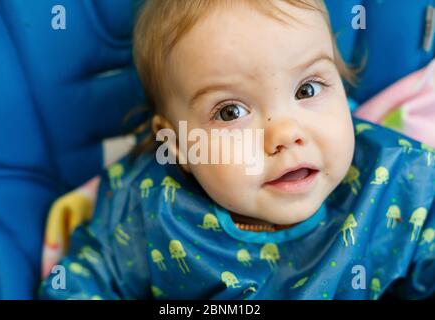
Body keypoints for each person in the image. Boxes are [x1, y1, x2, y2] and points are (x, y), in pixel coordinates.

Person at [39, 0, 434, 299]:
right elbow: (81, 284)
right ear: (176, 146)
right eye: (231, 112)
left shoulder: (400, 180)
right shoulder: (148, 210)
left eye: (307, 89)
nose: (285, 134)